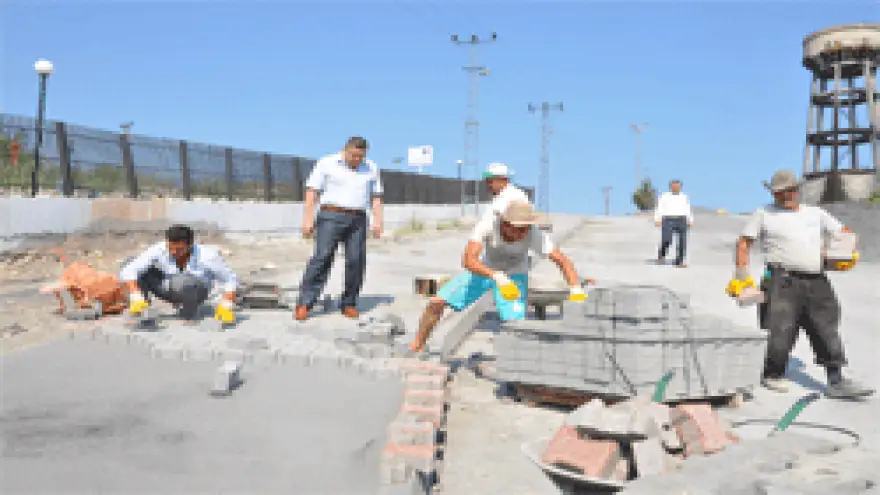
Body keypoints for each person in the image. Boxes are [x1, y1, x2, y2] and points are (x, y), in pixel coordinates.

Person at [727, 169, 873, 399]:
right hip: (781, 280)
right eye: (779, 193)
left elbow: (844, 233)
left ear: (797, 190)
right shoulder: (764, 213)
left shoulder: (816, 214)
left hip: (816, 280)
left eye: (789, 191)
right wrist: (742, 275)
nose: (785, 196)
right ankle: (772, 373)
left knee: (826, 327)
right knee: (780, 328)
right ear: (773, 194)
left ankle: (836, 381)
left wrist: (845, 252)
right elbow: (744, 243)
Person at [409, 200, 588, 353]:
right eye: (519, 229)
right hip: (484, 270)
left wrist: (576, 289)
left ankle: (514, 363)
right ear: (505, 223)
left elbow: (562, 261)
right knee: (436, 303)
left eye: (526, 228)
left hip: (515, 276)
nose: (522, 233)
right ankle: (417, 345)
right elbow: (468, 260)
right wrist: (495, 275)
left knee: (515, 324)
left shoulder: (534, 234)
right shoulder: (487, 226)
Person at [295, 136, 383, 321]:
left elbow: (376, 196)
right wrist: (308, 219)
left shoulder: (371, 167)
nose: (357, 159)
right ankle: (305, 303)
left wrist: (378, 221)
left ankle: (349, 303)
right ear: (345, 150)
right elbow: (312, 191)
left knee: (356, 260)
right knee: (322, 257)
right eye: (354, 155)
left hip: (358, 218)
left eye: (361, 156)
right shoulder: (326, 163)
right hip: (331, 215)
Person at [120, 224, 239, 322]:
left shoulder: (208, 256)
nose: (173, 252)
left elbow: (230, 279)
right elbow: (129, 270)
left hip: (195, 292)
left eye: (179, 249)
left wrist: (227, 303)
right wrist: (135, 294)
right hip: (169, 287)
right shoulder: (160, 249)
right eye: (170, 248)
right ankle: (141, 312)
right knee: (129, 264)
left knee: (182, 281)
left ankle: (189, 314)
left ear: (190, 245)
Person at [654, 179, 693, 267]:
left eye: (677, 186)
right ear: (670, 187)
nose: (676, 188)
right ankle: (661, 254)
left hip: (682, 219)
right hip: (667, 219)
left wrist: (690, 220)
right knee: (666, 240)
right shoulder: (664, 196)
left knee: (682, 242)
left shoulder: (684, 197)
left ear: (680, 187)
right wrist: (657, 219)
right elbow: (659, 208)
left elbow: (688, 209)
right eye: (674, 186)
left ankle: (679, 262)